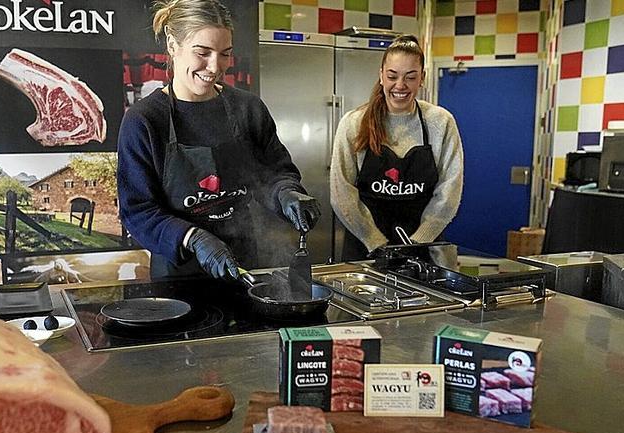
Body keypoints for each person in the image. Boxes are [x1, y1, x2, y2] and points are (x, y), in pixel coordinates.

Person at [117, 0, 320, 281]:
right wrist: (194, 238)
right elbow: (138, 211)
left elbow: (275, 172)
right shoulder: (145, 121)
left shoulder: (248, 109)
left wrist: (287, 193)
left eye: (225, 54)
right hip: (179, 276)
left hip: (247, 264)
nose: (215, 67)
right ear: (173, 46)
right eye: (202, 52)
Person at [330, 34, 464, 261]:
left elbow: (450, 190)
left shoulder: (441, 122)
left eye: (410, 77)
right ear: (381, 75)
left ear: (422, 78)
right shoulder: (354, 122)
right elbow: (341, 191)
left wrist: (419, 240)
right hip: (365, 250)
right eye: (392, 76)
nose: (400, 86)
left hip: (424, 250)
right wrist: (374, 241)